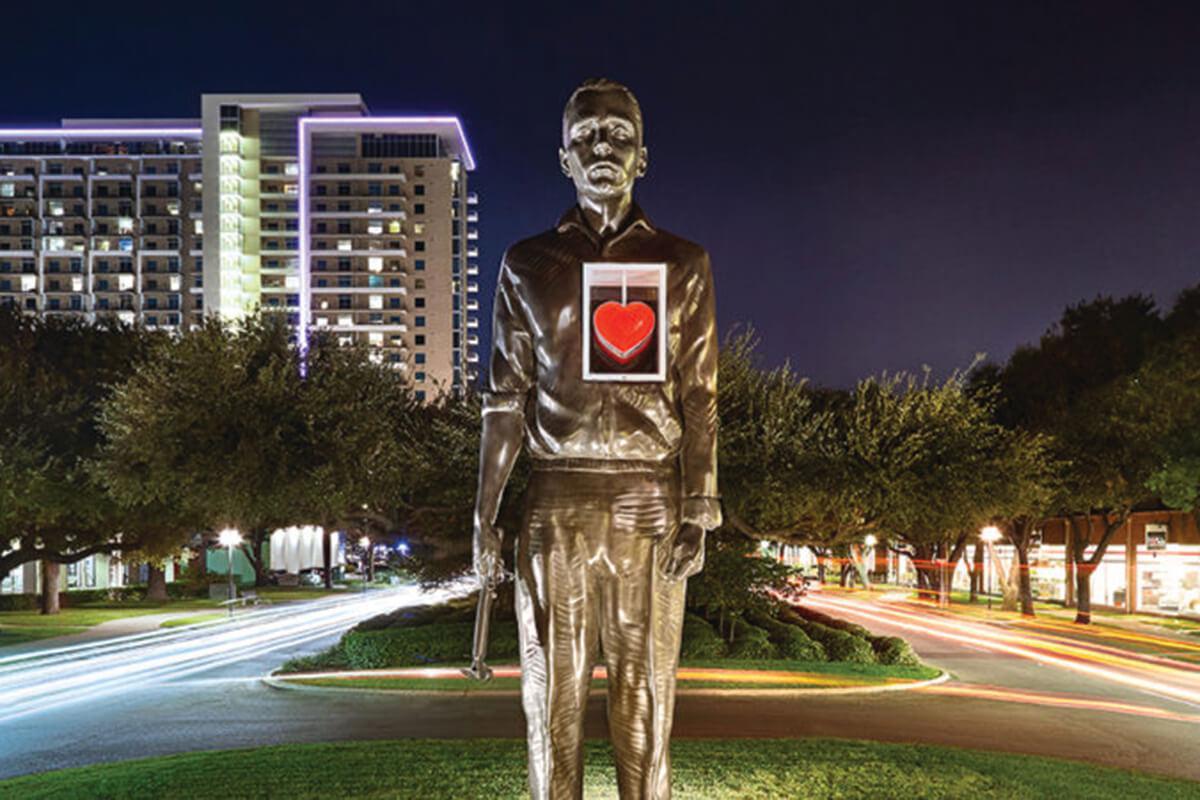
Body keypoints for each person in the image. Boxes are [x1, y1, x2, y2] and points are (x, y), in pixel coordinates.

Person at [473, 77, 720, 800]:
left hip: (651, 500)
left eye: (618, 133)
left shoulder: (684, 264)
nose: (602, 145)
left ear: (643, 155)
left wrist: (700, 506)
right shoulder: (527, 264)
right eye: (586, 135)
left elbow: (702, 394)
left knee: (645, 706)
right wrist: (483, 516)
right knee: (553, 704)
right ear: (564, 157)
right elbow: (503, 401)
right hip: (557, 505)